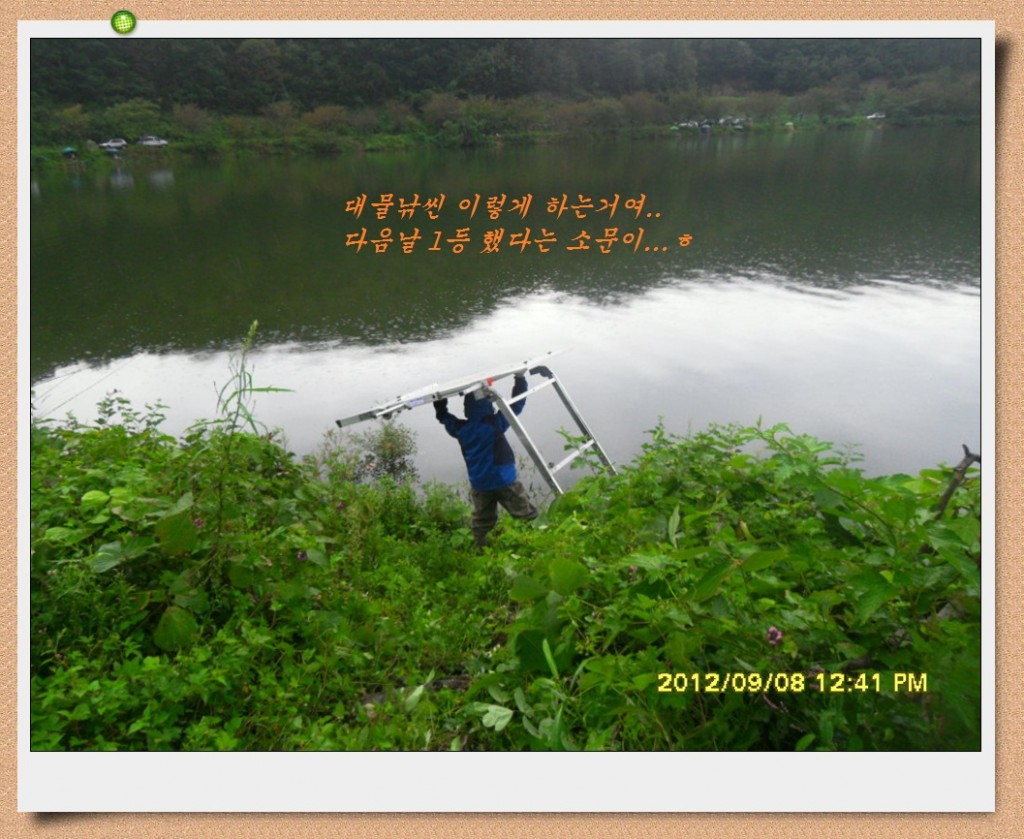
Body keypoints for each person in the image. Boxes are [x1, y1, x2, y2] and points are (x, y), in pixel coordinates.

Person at [434, 374, 538, 548]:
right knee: (525, 514)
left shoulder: (461, 428)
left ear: (467, 410)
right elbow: (516, 405)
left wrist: (439, 401)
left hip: (480, 484)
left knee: (482, 522)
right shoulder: (495, 422)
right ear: (488, 406)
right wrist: (520, 380)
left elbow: (443, 417)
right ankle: (535, 545)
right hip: (504, 480)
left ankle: (480, 549)